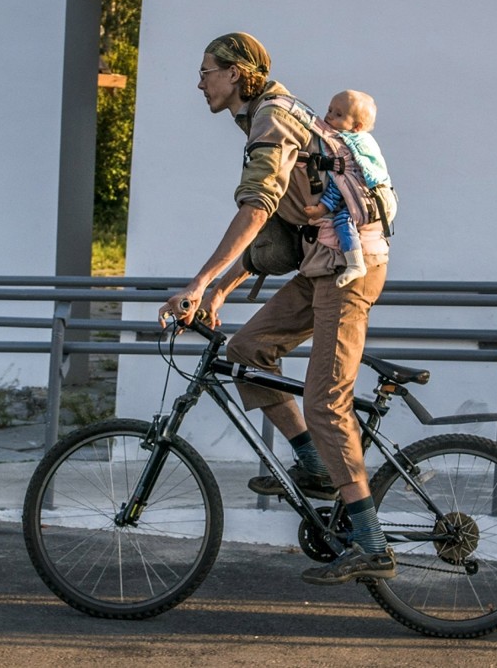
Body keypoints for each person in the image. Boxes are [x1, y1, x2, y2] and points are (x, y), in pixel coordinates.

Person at [157, 32, 395, 585]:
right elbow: (284, 229)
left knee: (325, 402)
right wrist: (221, 291)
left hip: (349, 270)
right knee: (246, 351)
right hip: (320, 266)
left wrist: (198, 281)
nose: (199, 83)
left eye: (207, 71)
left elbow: (258, 205)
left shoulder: (272, 118)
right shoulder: (269, 117)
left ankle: (370, 540)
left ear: (237, 74)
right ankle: (314, 463)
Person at [303, 90, 391, 288]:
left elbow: (340, 184)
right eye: (330, 110)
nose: (330, 116)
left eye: (339, 114)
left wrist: (322, 209)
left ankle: (355, 263)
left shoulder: (349, 148)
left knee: (343, 219)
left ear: (356, 127)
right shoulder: (353, 142)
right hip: (366, 199)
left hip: (362, 199)